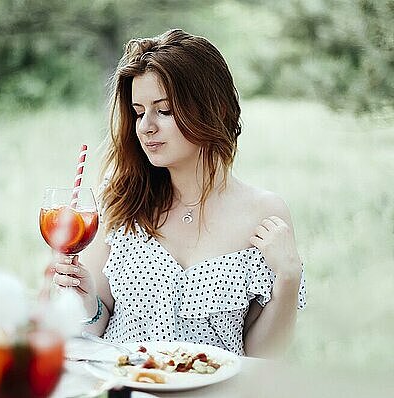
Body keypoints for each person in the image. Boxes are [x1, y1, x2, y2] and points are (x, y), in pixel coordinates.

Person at [52, 29, 306, 358]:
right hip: (126, 388)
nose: (145, 126)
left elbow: (262, 359)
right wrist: (87, 302)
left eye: (165, 110)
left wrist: (289, 277)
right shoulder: (119, 200)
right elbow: (93, 330)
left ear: (214, 109)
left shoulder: (264, 214)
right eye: (139, 112)